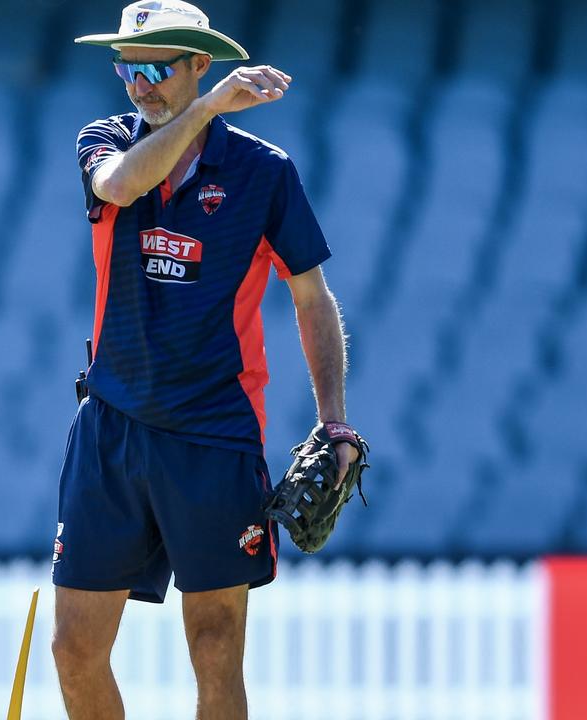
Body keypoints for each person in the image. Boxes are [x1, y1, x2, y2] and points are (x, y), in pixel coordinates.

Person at [51, 1, 362, 718]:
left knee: (217, 645)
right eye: (128, 66)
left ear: (201, 65)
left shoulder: (263, 171)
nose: (140, 84)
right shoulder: (104, 140)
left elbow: (311, 298)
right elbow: (122, 187)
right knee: (74, 649)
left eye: (159, 66)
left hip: (214, 432)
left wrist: (335, 424)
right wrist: (206, 110)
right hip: (111, 427)